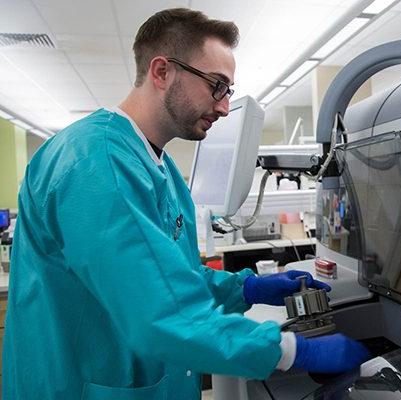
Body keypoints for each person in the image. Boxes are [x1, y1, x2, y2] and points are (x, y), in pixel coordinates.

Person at [2, 8, 369, 400]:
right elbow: (161, 315)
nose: (225, 106)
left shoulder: (160, 168)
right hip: (81, 385)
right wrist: (296, 350)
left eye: (228, 91)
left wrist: (248, 288)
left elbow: (171, 279)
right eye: (217, 85)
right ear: (162, 72)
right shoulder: (96, 163)